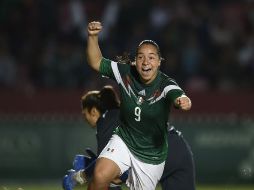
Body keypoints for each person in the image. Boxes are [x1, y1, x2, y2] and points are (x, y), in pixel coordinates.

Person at [86, 21, 192, 190]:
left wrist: (182, 100)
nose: (145, 61)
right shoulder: (125, 73)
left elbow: (177, 93)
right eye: (141, 57)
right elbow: (96, 62)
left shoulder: (165, 84)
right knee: (100, 175)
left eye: (151, 57)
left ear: (159, 62)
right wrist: (92, 36)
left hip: (150, 158)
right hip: (124, 141)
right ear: (135, 60)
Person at [63, 85, 195, 190]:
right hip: (178, 149)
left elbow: (111, 176)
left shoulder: (107, 120)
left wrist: (78, 176)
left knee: (104, 178)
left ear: (93, 111)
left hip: (156, 154)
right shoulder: (123, 112)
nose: (84, 118)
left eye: (84, 113)